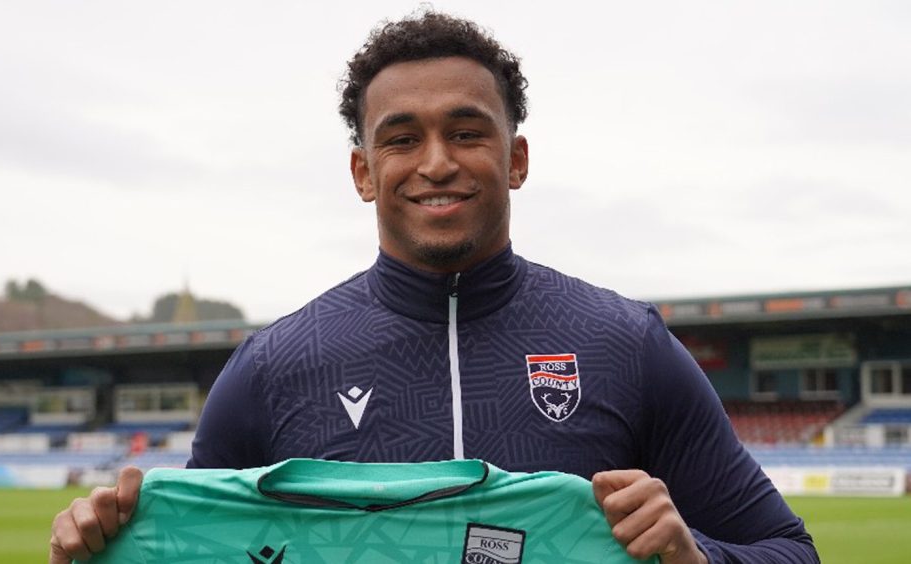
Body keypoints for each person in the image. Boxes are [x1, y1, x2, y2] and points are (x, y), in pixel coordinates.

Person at [51, 11, 819, 564]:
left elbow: (791, 552)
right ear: (364, 172)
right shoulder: (272, 367)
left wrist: (697, 558)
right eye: (402, 138)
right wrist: (94, 552)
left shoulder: (625, 343)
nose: (437, 163)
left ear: (516, 159)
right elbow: (196, 550)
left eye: (467, 131)